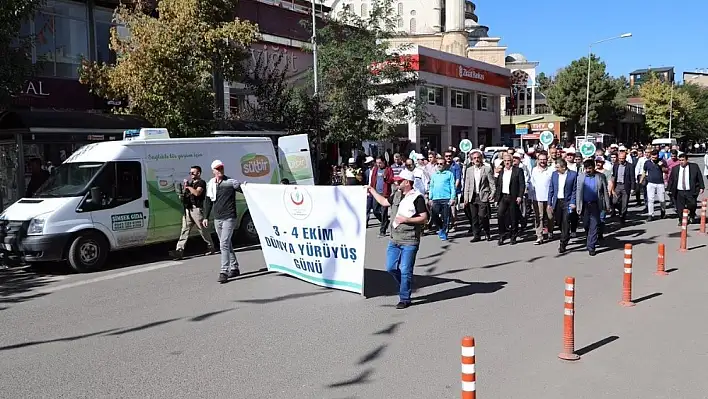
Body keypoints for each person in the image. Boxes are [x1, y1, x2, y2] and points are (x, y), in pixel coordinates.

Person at [367, 169, 428, 309]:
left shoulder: (417, 197)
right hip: (394, 239)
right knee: (390, 268)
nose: (396, 182)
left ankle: (404, 298)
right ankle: (405, 284)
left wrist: (407, 219)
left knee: (405, 269)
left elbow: (424, 218)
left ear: (407, 182)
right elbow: (383, 202)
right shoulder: (396, 194)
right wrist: (372, 190)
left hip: (410, 240)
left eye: (399, 181)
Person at [203, 160, 244, 283]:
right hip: (218, 218)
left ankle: (224, 271)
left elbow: (244, 190)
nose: (220, 170)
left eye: (221, 168)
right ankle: (235, 267)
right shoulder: (210, 184)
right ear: (213, 171)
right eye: (217, 169)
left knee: (223, 244)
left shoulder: (231, 182)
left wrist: (247, 187)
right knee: (226, 243)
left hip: (229, 217)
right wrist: (206, 217)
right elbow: (208, 201)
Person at [170, 165, 215, 260]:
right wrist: (182, 191)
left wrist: (188, 187)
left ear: (198, 173)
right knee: (184, 230)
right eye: (190, 173)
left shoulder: (201, 183)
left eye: (193, 173)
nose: (191, 175)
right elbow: (185, 196)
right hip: (188, 210)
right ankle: (179, 251)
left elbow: (197, 193)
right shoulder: (190, 183)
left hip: (197, 210)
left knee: (202, 230)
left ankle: (210, 246)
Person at [576, 159, 611, 256]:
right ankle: (589, 238)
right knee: (586, 225)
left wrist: (607, 205)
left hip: (596, 204)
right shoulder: (581, 177)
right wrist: (578, 205)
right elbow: (578, 192)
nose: (587, 170)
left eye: (590, 168)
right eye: (586, 168)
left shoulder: (600, 176)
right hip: (585, 205)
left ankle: (591, 246)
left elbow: (605, 192)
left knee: (594, 225)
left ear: (593, 167)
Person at [463, 150, 495, 242]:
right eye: (474, 158)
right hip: (472, 197)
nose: (476, 159)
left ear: (481, 158)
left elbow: (492, 183)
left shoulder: (487, 169)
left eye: (478, 158)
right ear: (472, 160)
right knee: (474, 218)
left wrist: (492, 193)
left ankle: (487, 231)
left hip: (483, 195)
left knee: (482, 216)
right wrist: (465, 197)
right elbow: (467, 184)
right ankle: (476, 235)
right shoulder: (469, 170)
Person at [494, 153, 525, 245]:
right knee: (500, 215)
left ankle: (513, 236)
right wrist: (496, 199)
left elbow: (522, 184)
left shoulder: (518, 171)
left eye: (509, 161)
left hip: (513, 196)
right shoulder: (501, 171)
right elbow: (497, 185)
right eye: (505, 161)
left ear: (512, 161)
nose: (507, 162)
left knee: (513, 217)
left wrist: (520, 196)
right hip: (503, 196)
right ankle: (502, 235)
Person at [548, 159, 577, 254]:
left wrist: (573, 202)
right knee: (559, 222)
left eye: (557, 167)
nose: (556, 169)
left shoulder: (573, 175)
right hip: (557, 202)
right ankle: (566, 234)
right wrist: (549, 203)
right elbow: (551, 189)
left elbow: (574, 190)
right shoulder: (554, 174)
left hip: (567, 202)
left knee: (565, 221)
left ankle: (563, 243)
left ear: (563, 167)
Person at [668, 153, 705, 225]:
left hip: (690, 190)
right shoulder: (675, 168)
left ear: (687, 160)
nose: (681, 162)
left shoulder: (694, 167)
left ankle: (692, 214)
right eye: (680, 160)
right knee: (680, 207)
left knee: (692, 204)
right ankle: (681, 219)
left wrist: (702, 187)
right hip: (679, 191)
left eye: (683, 160)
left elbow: (699, 177)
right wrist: (669, 189)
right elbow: (671, 179)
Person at [429, 156, 456, 240]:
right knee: (434, 215)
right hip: (436, 199)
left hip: (446, 198)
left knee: (446, 217)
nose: (439, 165)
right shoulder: (434, 175)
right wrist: (430, 198)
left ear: (444, 165)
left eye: (441, 164)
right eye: (438, 164)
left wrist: (452, 198)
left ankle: (444, 232)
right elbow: (431, 187)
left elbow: (452, 186)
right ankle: (441, 228)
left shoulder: (449, 174)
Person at [529, 151, 553, 244]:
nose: (542, 161)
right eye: (541, 159)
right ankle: (539, 236)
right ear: (538, 160)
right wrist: (531, 197)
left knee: (550, 217)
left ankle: (550, 232)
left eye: (544, 159)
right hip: (537, 198)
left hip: (549, 197)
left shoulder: (550, 170)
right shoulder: (534, 170)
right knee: (539, 217)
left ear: (547, 160)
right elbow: (532, 184)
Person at [368, 157, 394, 237]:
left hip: (384, 194)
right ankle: (385, 222)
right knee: (375, 211)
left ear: (383, 162)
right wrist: (371, 190)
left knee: (384, 213)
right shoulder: (375, 169)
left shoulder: (388, 169)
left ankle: (382, 231)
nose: (378, 164)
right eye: (377, 163)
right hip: (376, 193)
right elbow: (372, 180)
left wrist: (386, 178)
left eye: (380, 163)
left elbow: (391, 180)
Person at [642, 150, 667, 221]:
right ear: (650, 156)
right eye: (653, 156)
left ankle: (663, 211)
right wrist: (641, 181)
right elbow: (644, 172)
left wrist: (661, 166)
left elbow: (666, 170)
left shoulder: (662, 161)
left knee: (662, 199)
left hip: (660, 183)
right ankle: (650, 215)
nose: (654, 157)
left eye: (655, 156)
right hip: (650, 183)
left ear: (658, 156)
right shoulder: (647, 163)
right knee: (650, 199)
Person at [611, 151, 635, 224]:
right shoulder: (616, 165)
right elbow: (613, 176)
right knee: (614, 201)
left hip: (625, 186)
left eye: (623, 158)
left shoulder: (630, 166)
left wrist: (632, 188)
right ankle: (620, 209)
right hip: (617, 185)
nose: (621, 160)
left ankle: (622, 217)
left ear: (625, 158)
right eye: (620, 158)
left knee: (625, 203)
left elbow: (632, 177)